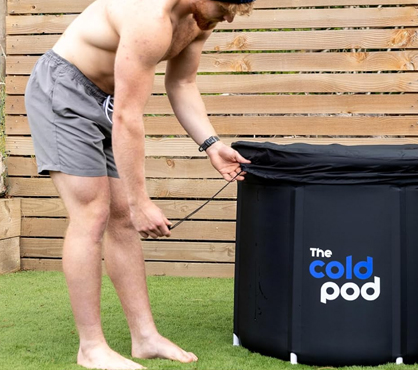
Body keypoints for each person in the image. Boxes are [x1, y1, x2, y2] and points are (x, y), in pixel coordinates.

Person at [24, 0, 254, 368]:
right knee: (92, 213)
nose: (227, 17)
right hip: (64, 90)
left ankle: (145, 337)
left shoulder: (199, 19)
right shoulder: (149, 17)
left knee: (121, 219)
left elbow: (182, 82)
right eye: (223, 5)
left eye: (234, 10)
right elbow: (129, 118)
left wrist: (212, 145)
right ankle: (91, 348)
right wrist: (140, 201)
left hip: (110, 101)